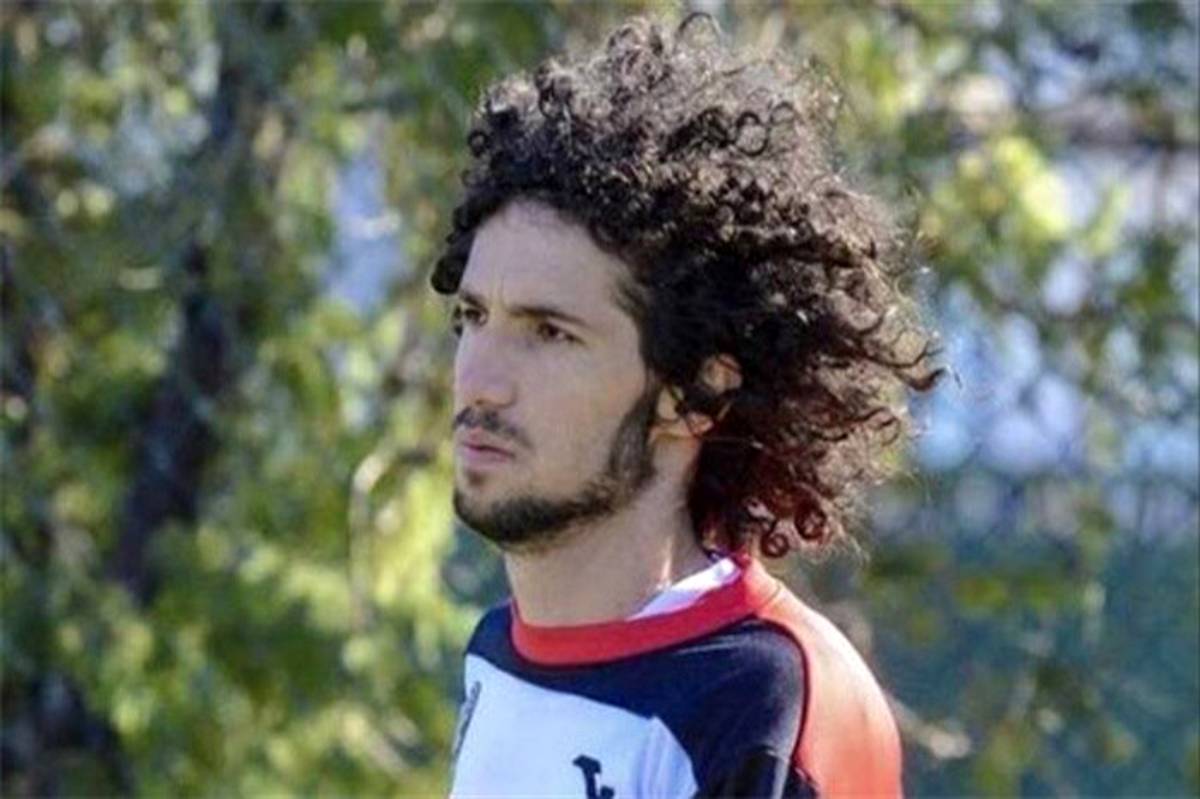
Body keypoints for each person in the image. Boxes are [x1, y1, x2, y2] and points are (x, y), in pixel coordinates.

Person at [430, 13, 941, 798]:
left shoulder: (770, 707)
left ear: (696, 396)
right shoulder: (497, 649)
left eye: (550, 333)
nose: (480, 380)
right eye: (473, 317)